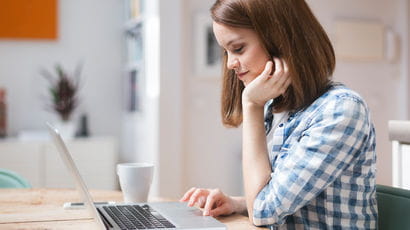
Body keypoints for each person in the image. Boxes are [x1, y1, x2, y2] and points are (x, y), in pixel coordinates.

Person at [180, 0, 377, 229]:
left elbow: (264, 212)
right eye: (226, 52)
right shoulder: (277, 108)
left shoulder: (341, 110)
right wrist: (238, 204)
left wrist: (251, 104)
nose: (231, 64)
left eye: (238, 48)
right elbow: (281, 199)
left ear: (279, 40)